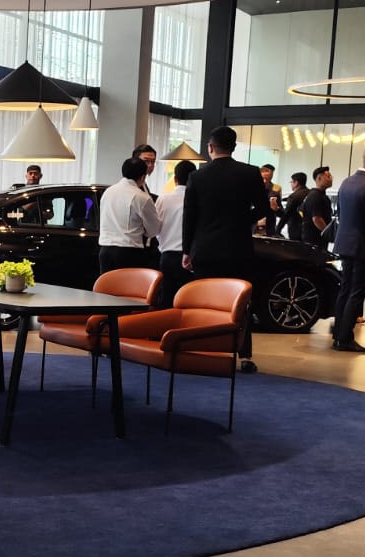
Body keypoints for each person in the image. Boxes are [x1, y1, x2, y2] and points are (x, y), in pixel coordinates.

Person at [182, 125, 271, 372]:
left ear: (211, 147)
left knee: (204, 302)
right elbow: (263, 208)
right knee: (240, 302)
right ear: (234, 147)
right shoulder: (250, 173)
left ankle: (203, 349)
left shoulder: (197, 176)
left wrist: (187, 250)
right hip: (238, 248)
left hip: (205, 249)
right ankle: (244, 354)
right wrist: (243, 220)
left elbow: (189, 216)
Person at [330, 145, 365, 353]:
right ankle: (345, 338)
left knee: (345, 290)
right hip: (363, 246)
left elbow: (342, 212)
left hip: (344, 243)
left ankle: (338, 334)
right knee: (356, 292)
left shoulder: (347, 182)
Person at [98, 156, 160, 275]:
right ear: (143, 177)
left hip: (105, 250)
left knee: (107, 286)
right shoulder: (142, 197)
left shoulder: (108, 192)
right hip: (129, 252)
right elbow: (154, 230)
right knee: (127, 286)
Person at [154, 159, 195, 307]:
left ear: (175, 178)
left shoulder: (163, 199)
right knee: (187, 301)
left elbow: (155, 227)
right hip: (190, 257)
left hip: (167, 255)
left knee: (166, 298)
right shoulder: (198, 199)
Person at [301, 167, 334, 250]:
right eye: (328, 176)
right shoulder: (315, 196)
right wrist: (328, 233)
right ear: (319, 178)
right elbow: (317, 219)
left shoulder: (322, 195)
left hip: (319, 240)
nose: (331, 179)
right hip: (314, 241)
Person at [283, 171, 310, 243]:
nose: (291, 184)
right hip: (308, 231)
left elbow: (286, 214)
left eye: (291, 182)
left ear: (296, 182)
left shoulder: (294, 196)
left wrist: (278, 230)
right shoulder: (310, 193)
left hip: (295, 231)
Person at [258, 164, 283, 235]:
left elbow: (282, 213)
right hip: (252, 229)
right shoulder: (251, 189)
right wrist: (256, 223)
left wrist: (276, 209)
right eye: (263, 178)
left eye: (268, 179)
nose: (264, 181)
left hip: (269, 229)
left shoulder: (276, 190)